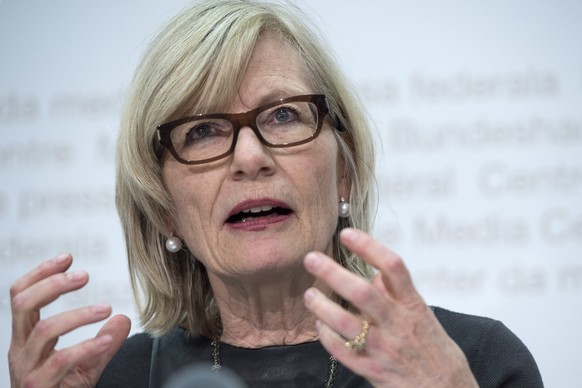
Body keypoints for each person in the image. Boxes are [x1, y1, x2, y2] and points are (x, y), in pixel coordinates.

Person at [8, 1, 544, 387]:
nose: (249, 158)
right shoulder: (113, 380)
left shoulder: (471, 361)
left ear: (344, 174)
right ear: (164, 208)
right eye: (202, 131)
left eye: (284, 115)